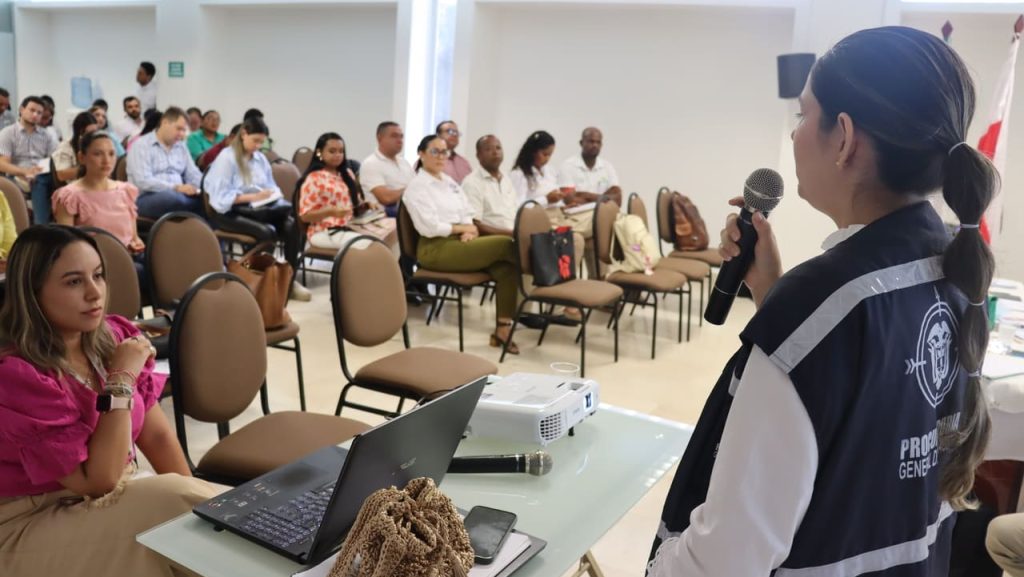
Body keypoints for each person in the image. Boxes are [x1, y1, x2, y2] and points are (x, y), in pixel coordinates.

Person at [647, 26, 996, 576]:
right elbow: (856, 429)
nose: (793, 135)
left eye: (803, 115)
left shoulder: (818, 308)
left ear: (845, 138)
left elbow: (726, 561)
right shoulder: (955, 268)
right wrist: (774, 292)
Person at [0, 225, 220, 577]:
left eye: (98, 275)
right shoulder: (17, 374)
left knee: (194, 522)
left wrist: (209, 514)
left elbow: (159, 439)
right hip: (29, 520)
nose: (94, 293)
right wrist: (121, 380)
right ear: (33, 292)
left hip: (112, 495)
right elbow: (97, 480)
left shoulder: (114, 338)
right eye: (73, 282)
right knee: (171, 506)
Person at [403, 134, 519, 353]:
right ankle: (546, 285)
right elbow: (429, 227)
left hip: (460, 242)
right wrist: (463, 228)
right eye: (434, 151)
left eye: (444, 152)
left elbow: (467, 211)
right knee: (508, 245)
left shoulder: (448, 182)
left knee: (506, 267)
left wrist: (470, 229)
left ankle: (503, 330)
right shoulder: (417, 186)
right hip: (434, 248)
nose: (440, 157)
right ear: (421, 153)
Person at [204, 117, 309, 301]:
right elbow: (220, 199)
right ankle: (257, 281)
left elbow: (272, 186)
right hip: (229, 211)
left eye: (262, 142)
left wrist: (272, 195)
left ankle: (288, 281)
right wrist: (253, 197)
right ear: (243, 134)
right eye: (256, 141)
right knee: (266, 232)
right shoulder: (227, 158)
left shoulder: (260, 159)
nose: (259, 146)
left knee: (292, 225)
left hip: (259, 208)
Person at [53, 131, 146, 284]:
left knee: (164, 262)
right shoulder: (69, 196)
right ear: (82, 157)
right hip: (94, 263)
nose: (106, 161)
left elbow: (134, 237)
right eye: (98, 154)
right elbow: (66, 245)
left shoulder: (125, 191)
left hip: (127, 256)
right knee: (139, 271)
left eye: (111, 154)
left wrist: (136, 242)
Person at [509, 131, 590, 295]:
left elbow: (552, 198)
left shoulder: (549, 170)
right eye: (544, 154)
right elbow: (520, 207)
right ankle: (561, 297)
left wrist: (563, 203)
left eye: (550, 155)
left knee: (585, 229)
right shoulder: (519, 174)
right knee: (575, 240)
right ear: (533, 150)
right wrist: (547, 199)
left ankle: (564, 295)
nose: (547, 158)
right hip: (538, 221)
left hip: (557, 215)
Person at [297, 132, 397, 250]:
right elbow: (305, 216)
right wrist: (330, 212)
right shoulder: (314, 178)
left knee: (396, 230)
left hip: (352, 225)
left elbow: (353, 205)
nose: (338, 155)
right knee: (370, 245)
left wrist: (366, 206)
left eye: (341, 151)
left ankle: (386, 268)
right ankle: (365, 267)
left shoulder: (347, 174)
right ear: (319, 152)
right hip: (324, 231)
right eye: (332, 151)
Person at [126, 106, 203, 219]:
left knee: (209, 200)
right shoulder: (141, 145)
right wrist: (176, 187)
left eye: (184, 130)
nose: (182, 134)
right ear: (165, 122)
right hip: (147, 197)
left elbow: (193, 173)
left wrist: (205, 188)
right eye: (179, 129)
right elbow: (142, 181)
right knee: (174, 198)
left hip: (179, 196)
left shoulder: (181, 146)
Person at [0, 96, 58, 224]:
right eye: (32, 110)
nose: (35, 115)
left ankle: (40, 225)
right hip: (15, 175)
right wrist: (24, 172)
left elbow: (53, 159)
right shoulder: (8, 133)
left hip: (40, 175)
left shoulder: (47, 135)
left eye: (39, 113)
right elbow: (2, 163)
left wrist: (36, 171)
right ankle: (26, 224)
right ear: (21, 109)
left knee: (42, 179)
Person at [461, 135, 518, 237]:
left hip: (514, 236)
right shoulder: (472, 182)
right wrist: (511, 234)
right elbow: (474, 224)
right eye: (488, 149)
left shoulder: (506, 179)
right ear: (478, 155)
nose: (495, 152)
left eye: (498, 148)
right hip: (494, 239)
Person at [360, 121, 415, 218]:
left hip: (410, 212)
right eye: (394, 136)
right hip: (386, 217)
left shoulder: (404, 163)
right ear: (379, 138)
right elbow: (386, 198)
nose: (400, 140)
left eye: (401, 136)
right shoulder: (371, 163)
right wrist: (412, 189)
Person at [558, 127, 622, 206]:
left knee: (634, 218)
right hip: (578, 215)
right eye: (591, 141)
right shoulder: (567, 166)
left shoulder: (607, 166)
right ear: (581, 143)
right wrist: (605, 198)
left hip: (605, 212)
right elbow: (569, 200)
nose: (595, 145)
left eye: (598, 142)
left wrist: (585, 195)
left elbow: (618, 200)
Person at [52, 111, 98, 184]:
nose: (93, 136)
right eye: (90, 133)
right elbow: (61, 175)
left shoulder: (96, 145)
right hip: (75, 188)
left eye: (95, 132)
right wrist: (87, 169)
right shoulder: (65, 147)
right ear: (80, 133)